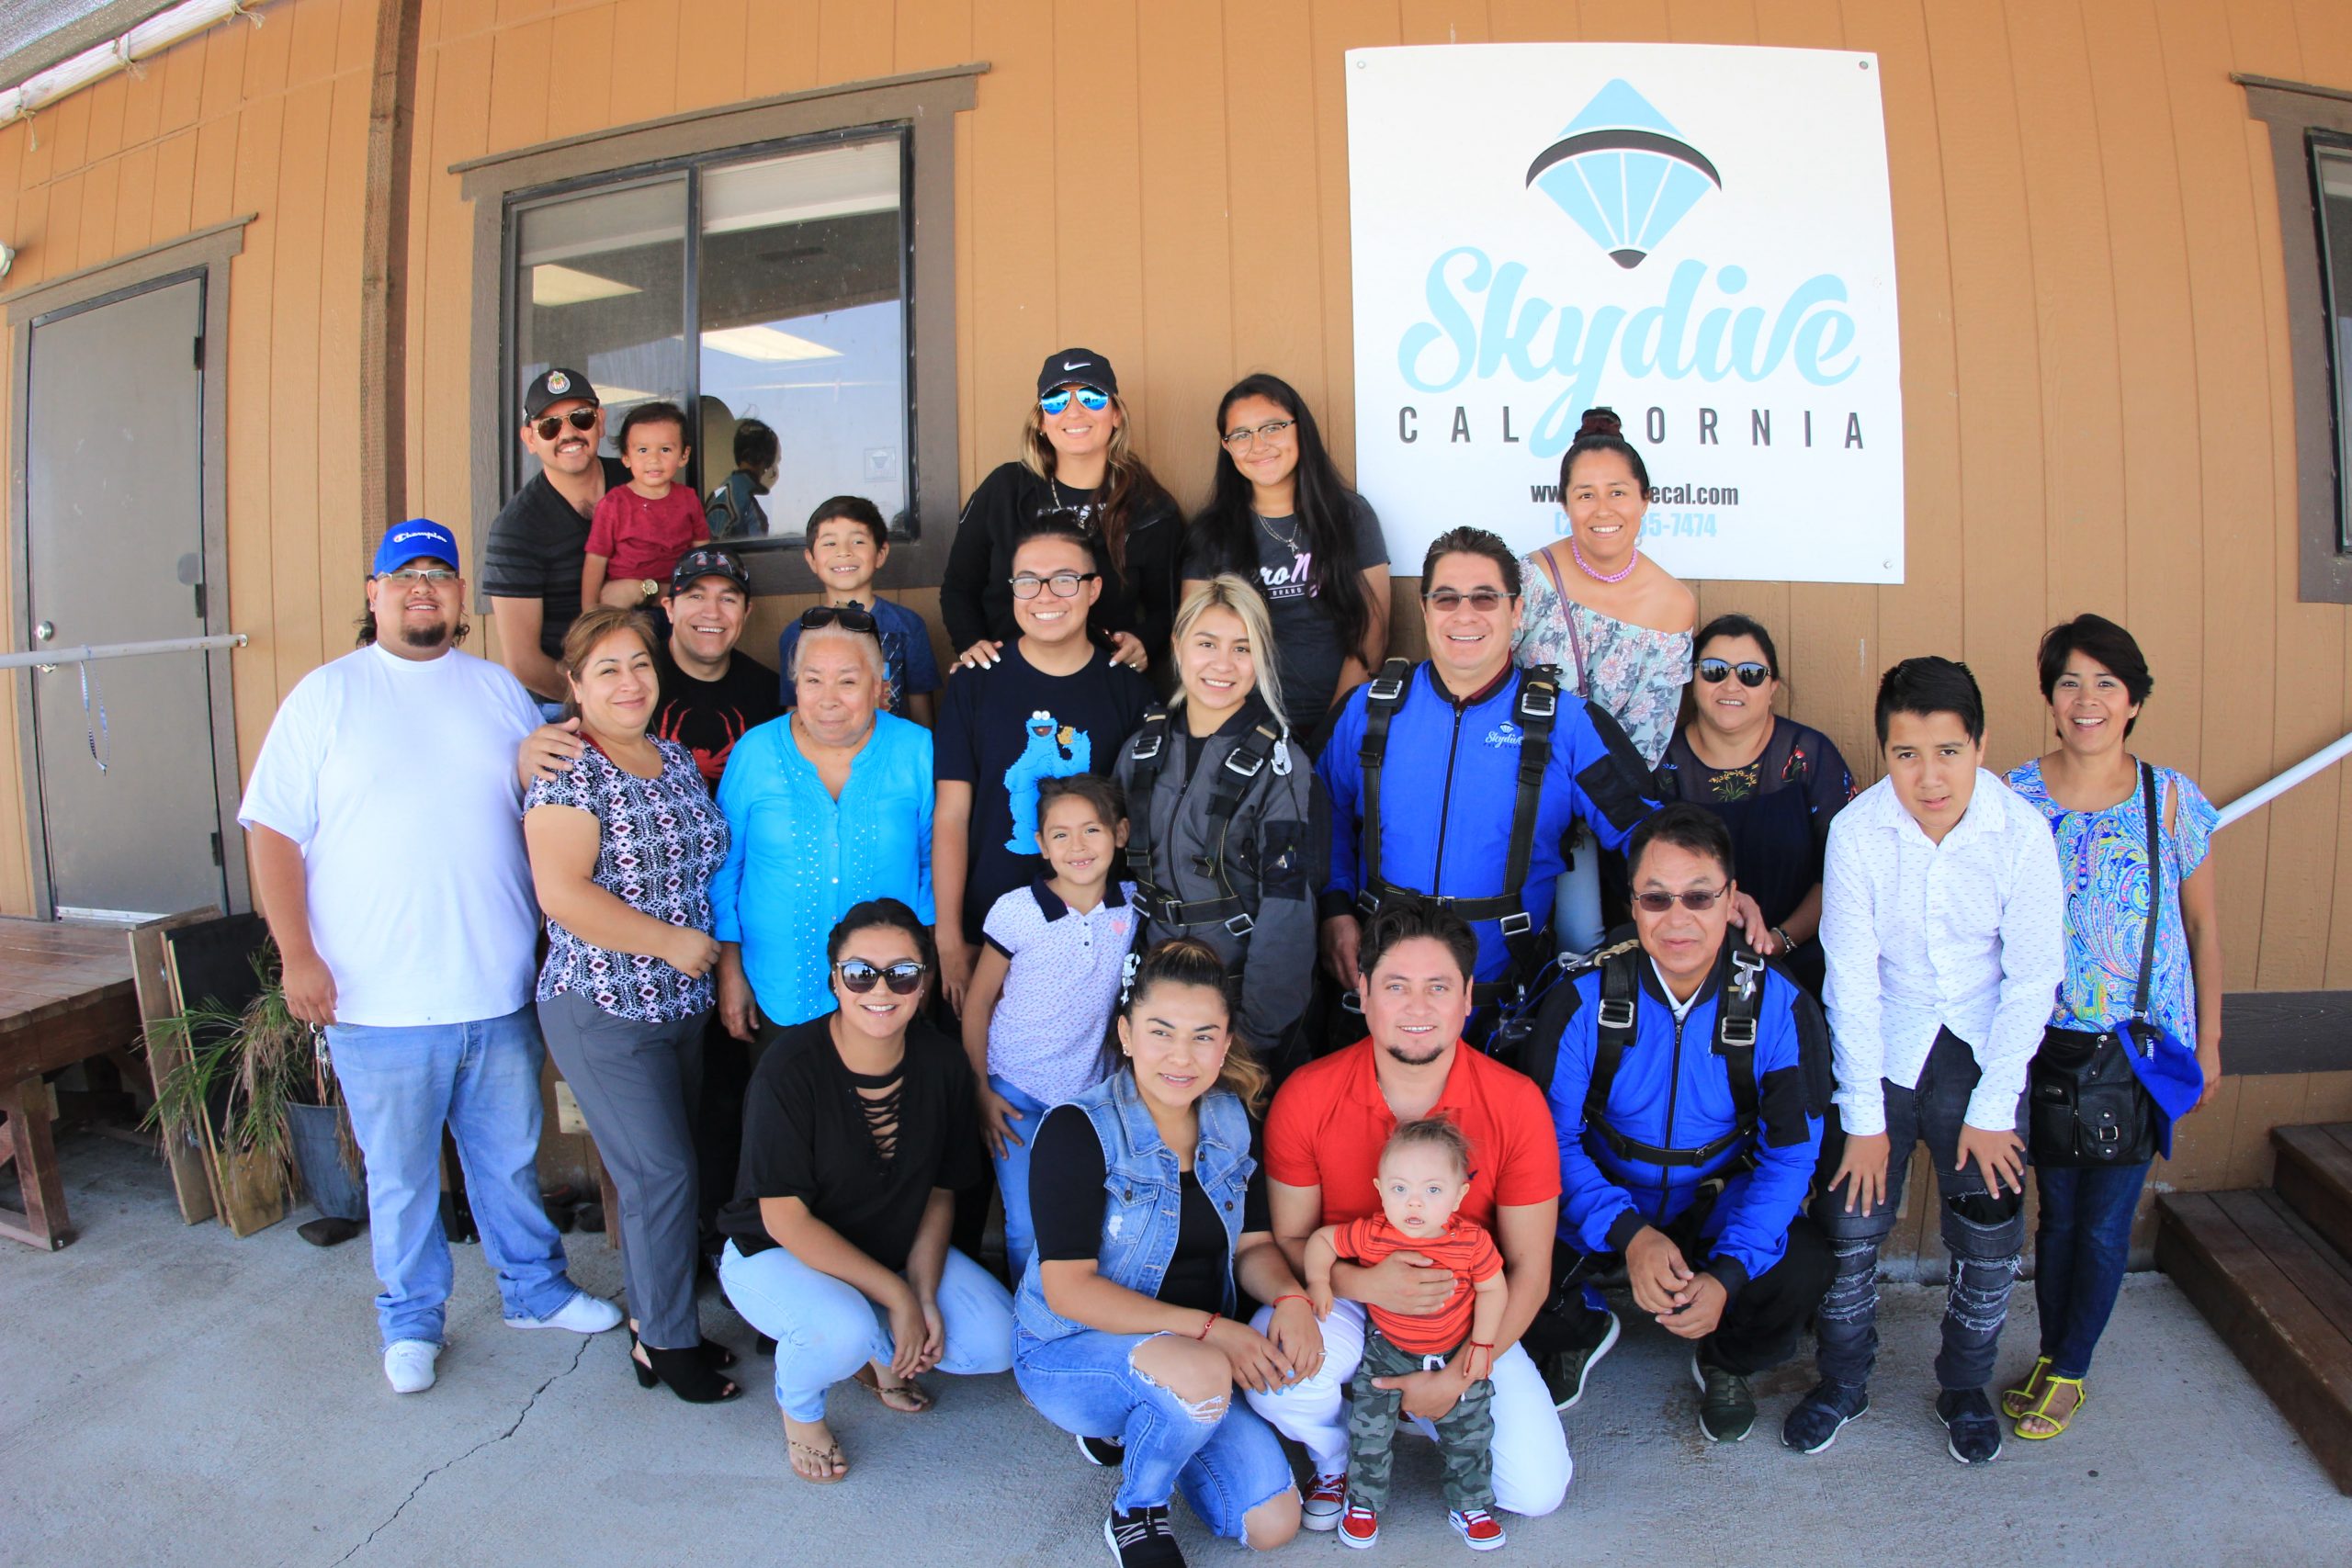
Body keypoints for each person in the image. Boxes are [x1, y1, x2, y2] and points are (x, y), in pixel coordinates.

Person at [238, 519, 621, 1395]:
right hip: (375, 1000)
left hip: (492, 987)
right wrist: (297, 953)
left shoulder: (496, 692)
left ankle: (534, 1289)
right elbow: (272, 834)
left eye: (439, 575)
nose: (423, 588)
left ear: (460, 598)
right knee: (404, 1179)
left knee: (509, 1161)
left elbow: (546, 795)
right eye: (402, 574)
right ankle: (410, 1321)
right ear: (372, 594)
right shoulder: (325, 696)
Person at [1787, 656, 2067, 1464]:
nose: (1929, 776)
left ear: (1980, 745)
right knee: (1850, 1223)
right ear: (1885, 754)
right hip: (1883, 1045)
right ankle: (1842, 1379)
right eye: (1906, 754)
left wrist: (1990, 1107)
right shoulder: (1858, 831)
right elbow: (1852, 981)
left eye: (1948, 750)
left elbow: (2033, 978)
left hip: (1985, 1051)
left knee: (1987, 1230)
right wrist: (1865, 1119)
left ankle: (1964, 1385)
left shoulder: (2020, 831)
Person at [1249, 901, 1570, 1528]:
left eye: (1438, 987)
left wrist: (1459, 1374)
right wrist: (1360, 1282)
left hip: (1464, 1312)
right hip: (1346, 1298)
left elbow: (1530, 1269)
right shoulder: (1309, 1094)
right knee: (1276, 1373)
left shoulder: (1515, 1102)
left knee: (1537, 1490)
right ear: (1363, 993)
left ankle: (1414, 1406)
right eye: (1396, 986)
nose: (1417, 1008)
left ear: (1468, 997)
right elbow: (1290, 1237)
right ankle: (1339, 1450)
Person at [1519, 804, 1833, 1439]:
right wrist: (1630, 1232)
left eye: (1699, 896)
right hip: (1602, 1202)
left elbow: (1791, 1158)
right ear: (1632, 904)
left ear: (1731, 899)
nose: (1679, 918)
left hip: (1715, 1202)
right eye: (1657, 899)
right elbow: (1547, 1144)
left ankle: (1724, 1358)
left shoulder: (1779, 1005)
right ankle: (1580, 1326)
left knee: (1804, 1264)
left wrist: (1729, 1273)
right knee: (1495, 1243)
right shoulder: (1583, 999)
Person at [1013, 939, 1313, 1568]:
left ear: (1226, 1042)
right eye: (1161, 1032)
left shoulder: (1232, 1121)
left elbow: (1254, 1244)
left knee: (1271, 1522)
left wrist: (1290, 1297)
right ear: (1125, 1034)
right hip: (1073, 1347)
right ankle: (1138, 1508)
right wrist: (1213, 1331)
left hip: (1196, 1357)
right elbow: (1068, 1289)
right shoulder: (1077, 1128)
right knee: (1203, 1371)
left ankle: (1154, 1424)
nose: (1183, 1055)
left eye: (1204, 1035)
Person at [2000, 615, 2223, 1439]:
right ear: (2050, 699)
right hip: (2042, 1046)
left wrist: (2212, 1042)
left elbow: (2202, 929)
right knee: (2055, 1215)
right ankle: (2058, 1349)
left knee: (2101, 1220)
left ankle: (2071, 1366)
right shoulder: (2015, 796)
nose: (2086, 699)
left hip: (2137, 1049)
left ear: (2133, 700)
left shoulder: (2171, 798)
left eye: (2105, 683)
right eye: (2069, 682)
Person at [718, 900, 1014, 1483]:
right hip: (777, 1254)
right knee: (843, 1330)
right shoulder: (789, 1067)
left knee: (995, 1341)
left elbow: (939, 1191)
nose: (881, 989)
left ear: (924, 982)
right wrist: (898, 1299)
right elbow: (785, 1220)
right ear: (834, 979)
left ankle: (879, 1349)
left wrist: (923, 1293)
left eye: (902, 972)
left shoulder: (941, 1063)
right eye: (860, 972)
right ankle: (801, 1411)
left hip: (888, 1248)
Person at [1317, 526, 1657, 1029]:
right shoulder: (1368, 711)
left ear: (1516, 612)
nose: (1465, 614)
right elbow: (1319, 817)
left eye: (1485, 598)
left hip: (1504, 1009)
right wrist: (1334, 908)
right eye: (1447, 598)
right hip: (1377, 999)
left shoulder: (1567, 725)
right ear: (1426, 608)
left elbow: (1648, 834)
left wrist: (1704, 895)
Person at [522, 606, 736, 1404]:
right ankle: (667, 1344)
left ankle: (662, 1321)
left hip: (680, 1008)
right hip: (605, 1003)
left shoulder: (673, 758)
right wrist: (671, 942)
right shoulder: (568, 770)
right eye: (606, 667)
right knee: (662, 1174)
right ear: (574, 685)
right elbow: (562, 893)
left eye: (639, 663)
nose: (628, 680)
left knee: (669, 1177)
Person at [933, 516, 1155, 1012]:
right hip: (987, 922)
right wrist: (949, 934)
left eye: (1065, 579)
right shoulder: (975, 682)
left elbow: (1139, 822)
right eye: (1028, 581)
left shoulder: (1130, 690)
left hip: (1094, 932)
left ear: (1093, 589)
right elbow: (950, 815)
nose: (1045, 596)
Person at [1116, 576, 1326, 1074]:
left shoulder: (1283, 768)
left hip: (1236, 1003)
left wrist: (1254, 1032)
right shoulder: (1141, 751)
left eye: (1242, 648)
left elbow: (1288, 903)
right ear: (1177, 646)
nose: (1223, 664)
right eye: (1206, 644)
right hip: (1154, 1001)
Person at [1517, 408, 1695, 955]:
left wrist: (1576, 803)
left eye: (1618, 492)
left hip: (1597, 804)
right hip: (1517, 783)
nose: (1602, 510)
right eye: (1585, 494)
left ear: (1644, 499)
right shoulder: (1530, 575)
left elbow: (1643, 739)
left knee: (1582, 937)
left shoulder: (1673, 603)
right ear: (1565, 503)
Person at [711, 611, 933, 1036]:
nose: (828, 698)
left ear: (878, 686)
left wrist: (929, 973)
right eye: (813, 680)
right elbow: (724, 873)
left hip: (888, 994)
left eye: (848, 681)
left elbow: (932, 870)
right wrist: (729, 973)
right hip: (777, 989)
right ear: (796, 684)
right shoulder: (755, 751)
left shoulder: (917, 750)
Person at [961, 773, 1139, 1280]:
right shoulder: (1016, 911)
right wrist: (980, 1091)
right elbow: (977, 1006)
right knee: (1025, 1226)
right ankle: (1032, 1333)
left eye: (1092, 830)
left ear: (1120, 834)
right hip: (1015, 1091)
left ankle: (1079, 1320)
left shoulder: (1134, 905)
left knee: (1089, 1219)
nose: (1077, 846)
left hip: (1091, 1095)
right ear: (1040, 844)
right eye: (1060, 834)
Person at [1304, 1117, 1510, 1551]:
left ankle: (1470, 1502)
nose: (1414, 1204)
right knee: (1369, 1430)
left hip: (1454, 1348)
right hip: (1389, 1352)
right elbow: (1323, 1241)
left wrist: (1483, 1343)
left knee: (1470, 1431)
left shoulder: (1472, 1242)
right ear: (1380, 1189)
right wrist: (1321, 1281)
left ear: (1460, 1195)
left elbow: (1493, 1288)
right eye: (1400, 1189)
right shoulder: (1375, 1233)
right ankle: (1363, 1502)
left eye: (1432, 1191)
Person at [1651, 615, 1856, 994]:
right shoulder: (1663, 763)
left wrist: (1779, 941)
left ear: (1773, 685)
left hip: (1799, 960)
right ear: (1692, 679)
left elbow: (1845, 874)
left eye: (1750, 673)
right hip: (1687, 967)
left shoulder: (1809, 756)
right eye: (1713, 670)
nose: (1731, 684)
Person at [1181, 375, 1389, 744]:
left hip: (1339, 723)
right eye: (1241, 435)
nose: (1258, 445)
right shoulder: (1210, 533)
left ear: (1299, 430)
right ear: (1226, 447)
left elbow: (1372, 631)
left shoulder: (1350, 517)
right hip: (1240, 730)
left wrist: (1333, 729)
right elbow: (1192, 639)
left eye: (1272, 428)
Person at [941, 348, 1174, 674]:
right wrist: (971, 642)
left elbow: (1170, 605)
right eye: (1056, 401)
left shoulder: (1149, 505)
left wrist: (1144, 640)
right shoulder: (1004, 490)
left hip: (1104, 682)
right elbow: (959, 586)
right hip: (1008, 675)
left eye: (1092, 398)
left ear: (1117, 415)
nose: (1074, 413)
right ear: (1040, 421)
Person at [483, 368, 629, 705]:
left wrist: (644, 588)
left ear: (601, 421)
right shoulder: (516, 528)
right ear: (530, 440)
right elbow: (525, 663)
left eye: (581, 417)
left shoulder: (639, 485)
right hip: (565, 704)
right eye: (550, 426)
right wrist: (603, 706)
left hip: (649, 683)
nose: (569, 433)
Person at [776, 496, 941, 725]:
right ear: (811, 559)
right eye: (830, 543)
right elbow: (794, 714)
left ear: (881, 554)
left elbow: (921, 713)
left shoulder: (907, 626)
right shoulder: (797, 634)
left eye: (858, 541)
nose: (844, 552)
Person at [583, 400, 705, 612]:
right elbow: (595, 561)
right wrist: (589, 611)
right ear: (626, 457)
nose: (654, 459)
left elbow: (702, 551)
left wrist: (699, 595)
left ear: (683, 456)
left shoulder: (688, 499)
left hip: (677, 605)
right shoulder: (613, 504)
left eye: (665, 449)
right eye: (642, 450)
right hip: (626, 607)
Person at [705, 416, 777, 539]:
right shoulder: (754, 497)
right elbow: (759, 551)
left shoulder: (718, 493)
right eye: (777, 461)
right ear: (767, 458)